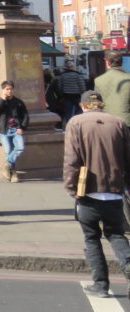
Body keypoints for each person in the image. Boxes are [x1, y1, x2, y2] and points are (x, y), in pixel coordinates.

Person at [63, 89, 130, 298]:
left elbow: (71, 160)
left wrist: (71, 187)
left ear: (83, 106)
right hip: (114, 191)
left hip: (88, 193)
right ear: (101, 104)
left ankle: (100, 285)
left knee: (92, 238)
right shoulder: (118, 123)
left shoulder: (75, 123)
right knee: (117, 235)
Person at [0, 80, 29, 182]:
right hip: (4, 130)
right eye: (7, 89)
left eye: (11, 89)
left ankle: (7, 164)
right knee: (8, 151)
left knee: (20, 148)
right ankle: (13, 174)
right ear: (3, 90)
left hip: (16, 130)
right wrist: (2, 100)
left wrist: (22, 127)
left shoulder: (18, 102)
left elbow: (25, 115)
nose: (9, 91)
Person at [94, 52, 130, 127]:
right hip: (127, 121)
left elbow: (97, 103)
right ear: (121, 62)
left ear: (107, 61)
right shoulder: (127, 78)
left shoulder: (99, 80)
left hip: (108, 121)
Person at [56, 59, 88, 130]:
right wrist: (83, 93)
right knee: (80, 110)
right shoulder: (78, 75)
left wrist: (61, 94)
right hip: (77, 95)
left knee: (68, 111)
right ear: (73, 67)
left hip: (66, 96)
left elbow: (59, 86)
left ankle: (69, 125)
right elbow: (82, 86)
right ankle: (77, 124)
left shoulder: (62, 76)